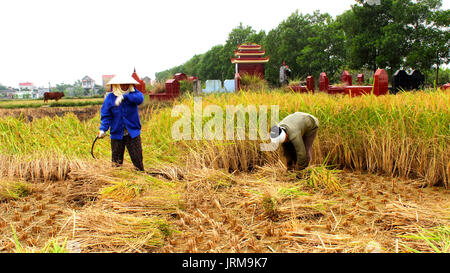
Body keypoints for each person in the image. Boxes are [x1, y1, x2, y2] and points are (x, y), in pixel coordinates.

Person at [97, 74, 145, 171]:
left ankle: (141, 177)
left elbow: (140, 99)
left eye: (126, 84)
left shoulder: (134, 94)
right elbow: (106, 115)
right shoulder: (110, 98)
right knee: (116, 162)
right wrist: (103, 129)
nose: (124, 86)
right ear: (117, 85)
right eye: (122, 84)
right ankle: (117, 180)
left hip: (133, 133)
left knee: (137, 160)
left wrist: (125, 97)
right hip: (117, 134)